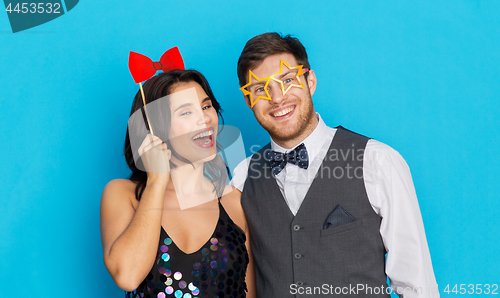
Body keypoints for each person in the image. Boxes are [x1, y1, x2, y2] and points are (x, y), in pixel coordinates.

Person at [231, 32, 439, 297]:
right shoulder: (241, 177)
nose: (277, 98)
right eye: (260, 89)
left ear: (310, 81)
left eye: (286, 80)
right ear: (249, 100)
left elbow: (417, 284)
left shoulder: (377, 161)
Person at [100, 69, 255, 298]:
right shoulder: (124, 195)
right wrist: (156, 181)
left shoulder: (236, 201)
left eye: (206, 106)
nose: (204, 119)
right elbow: (127, 277)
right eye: (186, 112)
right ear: (156, 129)